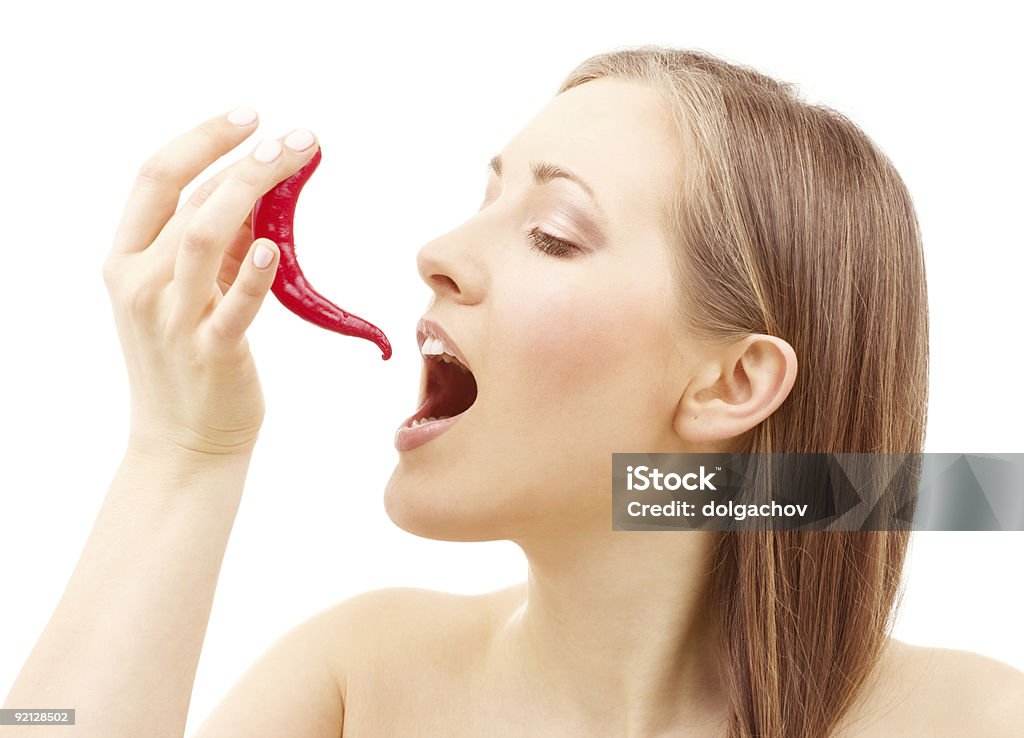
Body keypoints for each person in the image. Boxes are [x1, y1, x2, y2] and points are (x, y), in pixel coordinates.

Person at [3, 45, 1022, 738]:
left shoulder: (972, 719)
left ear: (732, 381)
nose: (436, 254)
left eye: (553, 234)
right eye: (483, 199)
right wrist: (183, 452)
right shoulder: (363, 682)